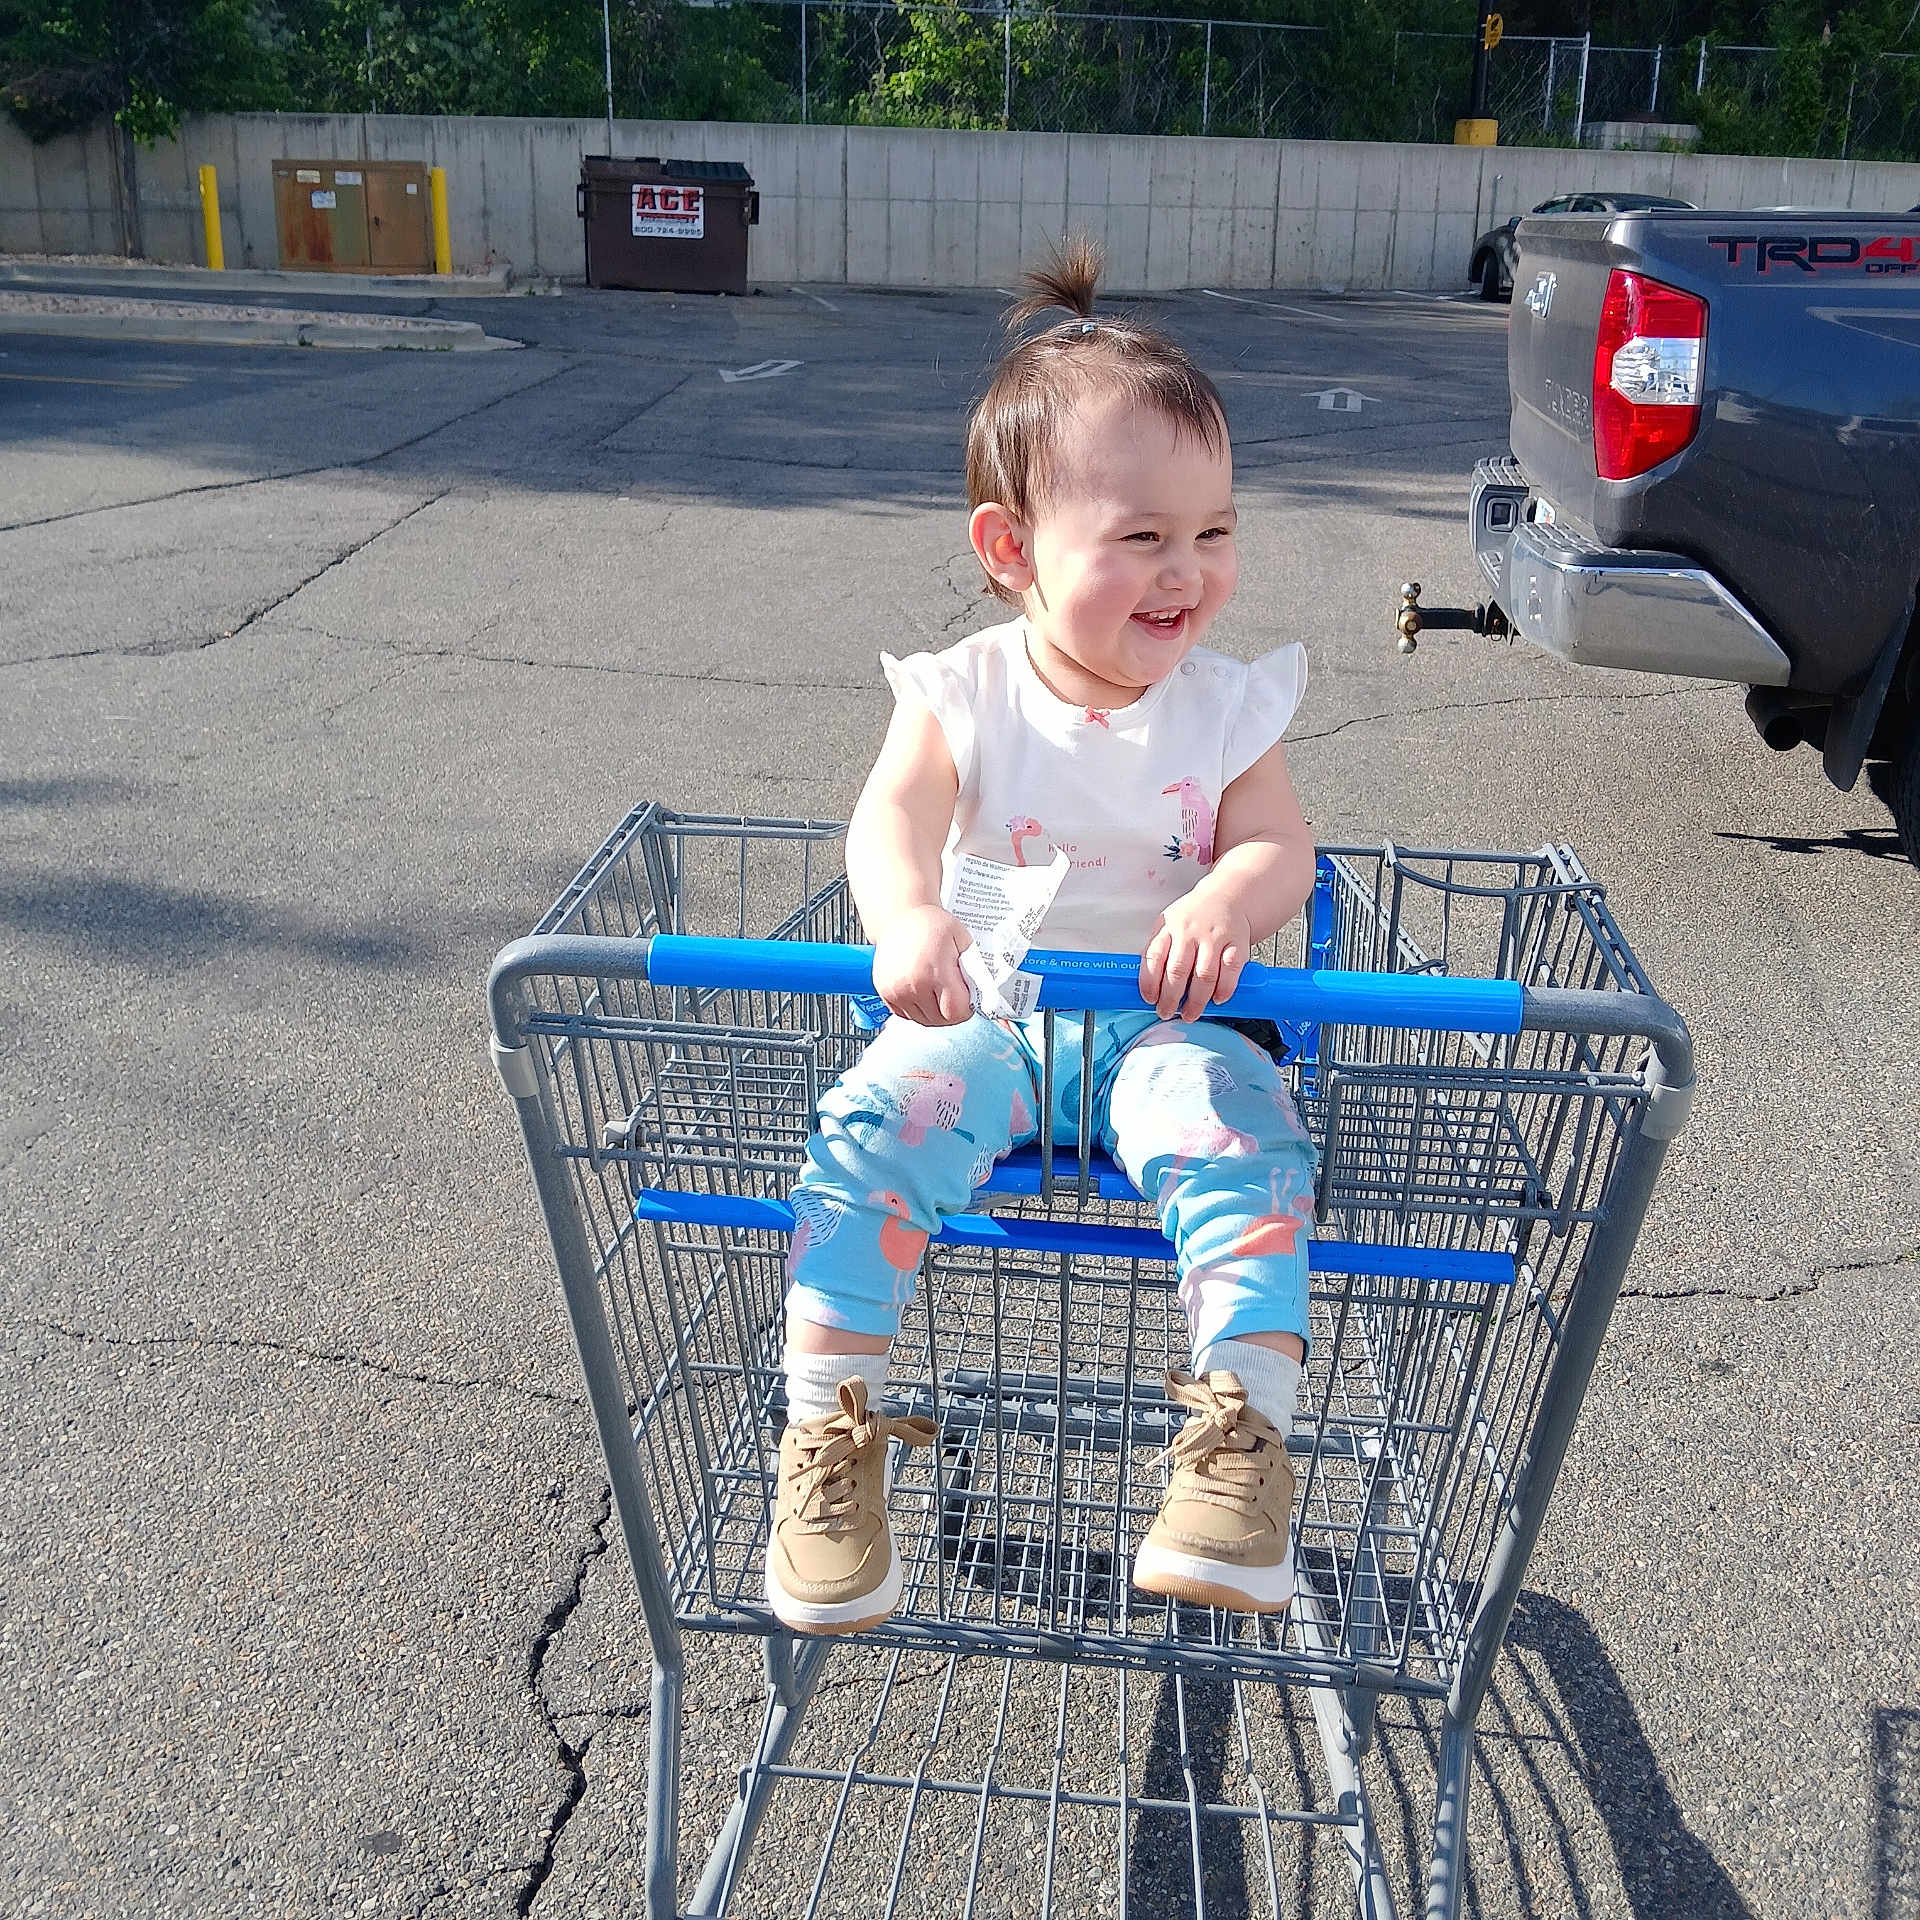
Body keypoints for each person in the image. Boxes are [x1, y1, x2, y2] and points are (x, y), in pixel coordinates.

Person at [766, 237, 1318, 1636]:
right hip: (989, 1009)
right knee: (869, 1142)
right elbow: (888, 821)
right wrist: (906, 920)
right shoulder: (963, 694)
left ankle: (1239, 1459)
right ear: (1011, 550)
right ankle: (829, 1445)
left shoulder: (1225, 708)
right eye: (1140, 539)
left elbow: (1277, 846)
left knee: (1238, 1150)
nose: (1186, 574)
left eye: (1215, 532)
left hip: (1170, 1018)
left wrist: (1222, 901)